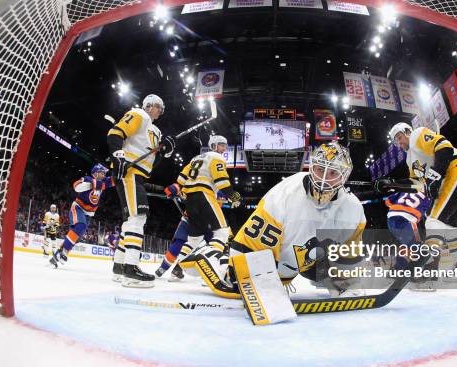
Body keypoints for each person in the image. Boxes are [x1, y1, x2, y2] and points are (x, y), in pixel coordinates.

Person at [185, 141, 367, 299]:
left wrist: (346, 280)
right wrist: (262, 281)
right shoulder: (285, 193)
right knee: (237, 286)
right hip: (266, 252)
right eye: (320, 170)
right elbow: (253, 245)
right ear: (312, 168)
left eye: (332, 173)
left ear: (344, 176)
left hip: (302, 259)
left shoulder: (352, 208)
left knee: (334, 272)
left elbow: (348, 251)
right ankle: (211, 256)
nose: (323, 180)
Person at [383, 122, 457, 281]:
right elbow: (417, 184)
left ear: (407, 131)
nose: (399, 143)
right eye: (396, 141)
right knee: (449, 226)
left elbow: (444, 147)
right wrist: (392, 184)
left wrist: (435, 177)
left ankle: (428, 267)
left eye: (399, 137)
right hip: (456, 174)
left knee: (433, 220)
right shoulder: (409, 159)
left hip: (455, 169)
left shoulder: (417, 134)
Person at [107, 94, 174, 287]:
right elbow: (115, 133)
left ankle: (120, 268)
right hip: (130, 173)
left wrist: (164, 150)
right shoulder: (139, 114)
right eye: (159, 107)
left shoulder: (156, 131)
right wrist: (118, 156)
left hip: (139, 175)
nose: (161, 111)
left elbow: (153, 162)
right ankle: (130, 270)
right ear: (150, 106)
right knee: (138, 218)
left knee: (131, 220)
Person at [167, 135, 240, 277]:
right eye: (221, 145)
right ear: (214, 145)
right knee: (223, 231)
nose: (224, 148)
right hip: (204, 196)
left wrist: (175, 189)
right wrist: (234, 197)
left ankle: (177, 269)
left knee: (194, 239)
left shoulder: (195, 159)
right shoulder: (217, 158)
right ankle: (212, 266)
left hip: (190, 200)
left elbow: (180, 179)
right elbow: (222, 182)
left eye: (225, 145)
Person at [49, 164, 114, 268]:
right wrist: (93, 184)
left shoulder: (104, 182)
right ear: (96, 173)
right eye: (102, 172)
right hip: (78, 207)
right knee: (80, 226)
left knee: (77, 236)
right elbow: (76, 187)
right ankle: (65, 251)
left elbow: (115, 180)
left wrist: (123, 170)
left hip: (89, 213)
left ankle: (57, 255)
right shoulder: (88, 179)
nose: (104, 175)